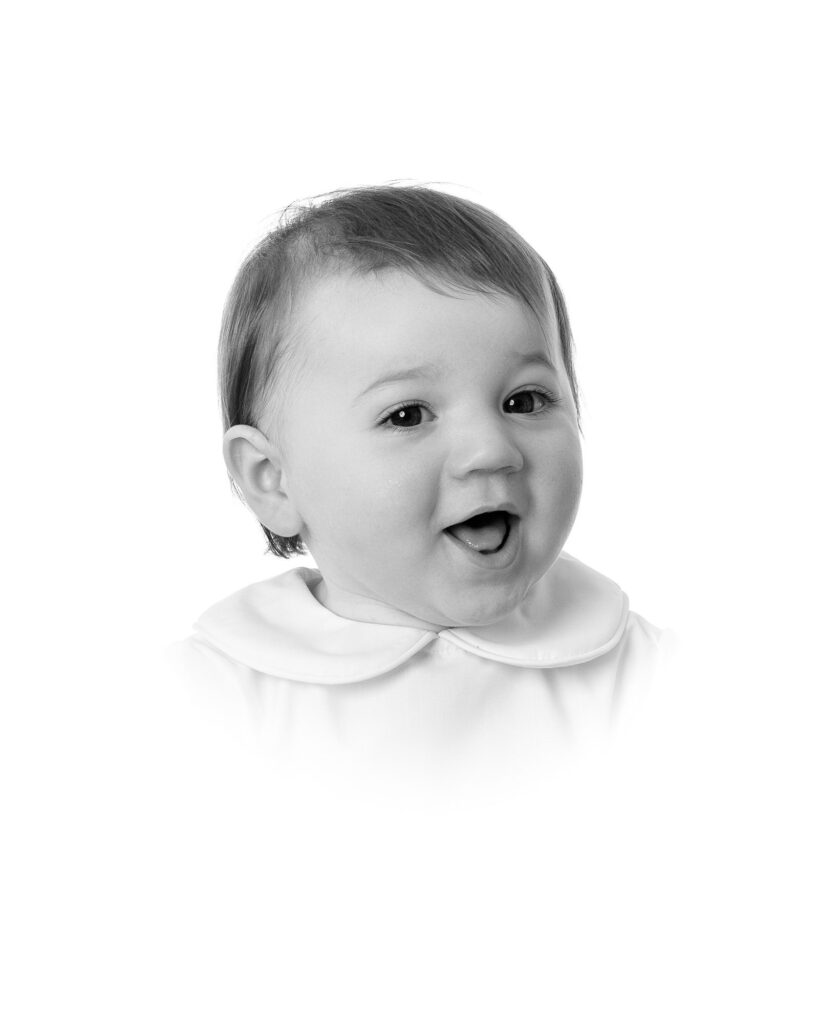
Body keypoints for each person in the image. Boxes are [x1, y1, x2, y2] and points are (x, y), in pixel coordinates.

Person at [166, 184, 670, 771]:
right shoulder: (210, 698)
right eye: (407, 415)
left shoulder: (649, 678)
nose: (490, 450)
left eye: (525, 401)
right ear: (273, 480)